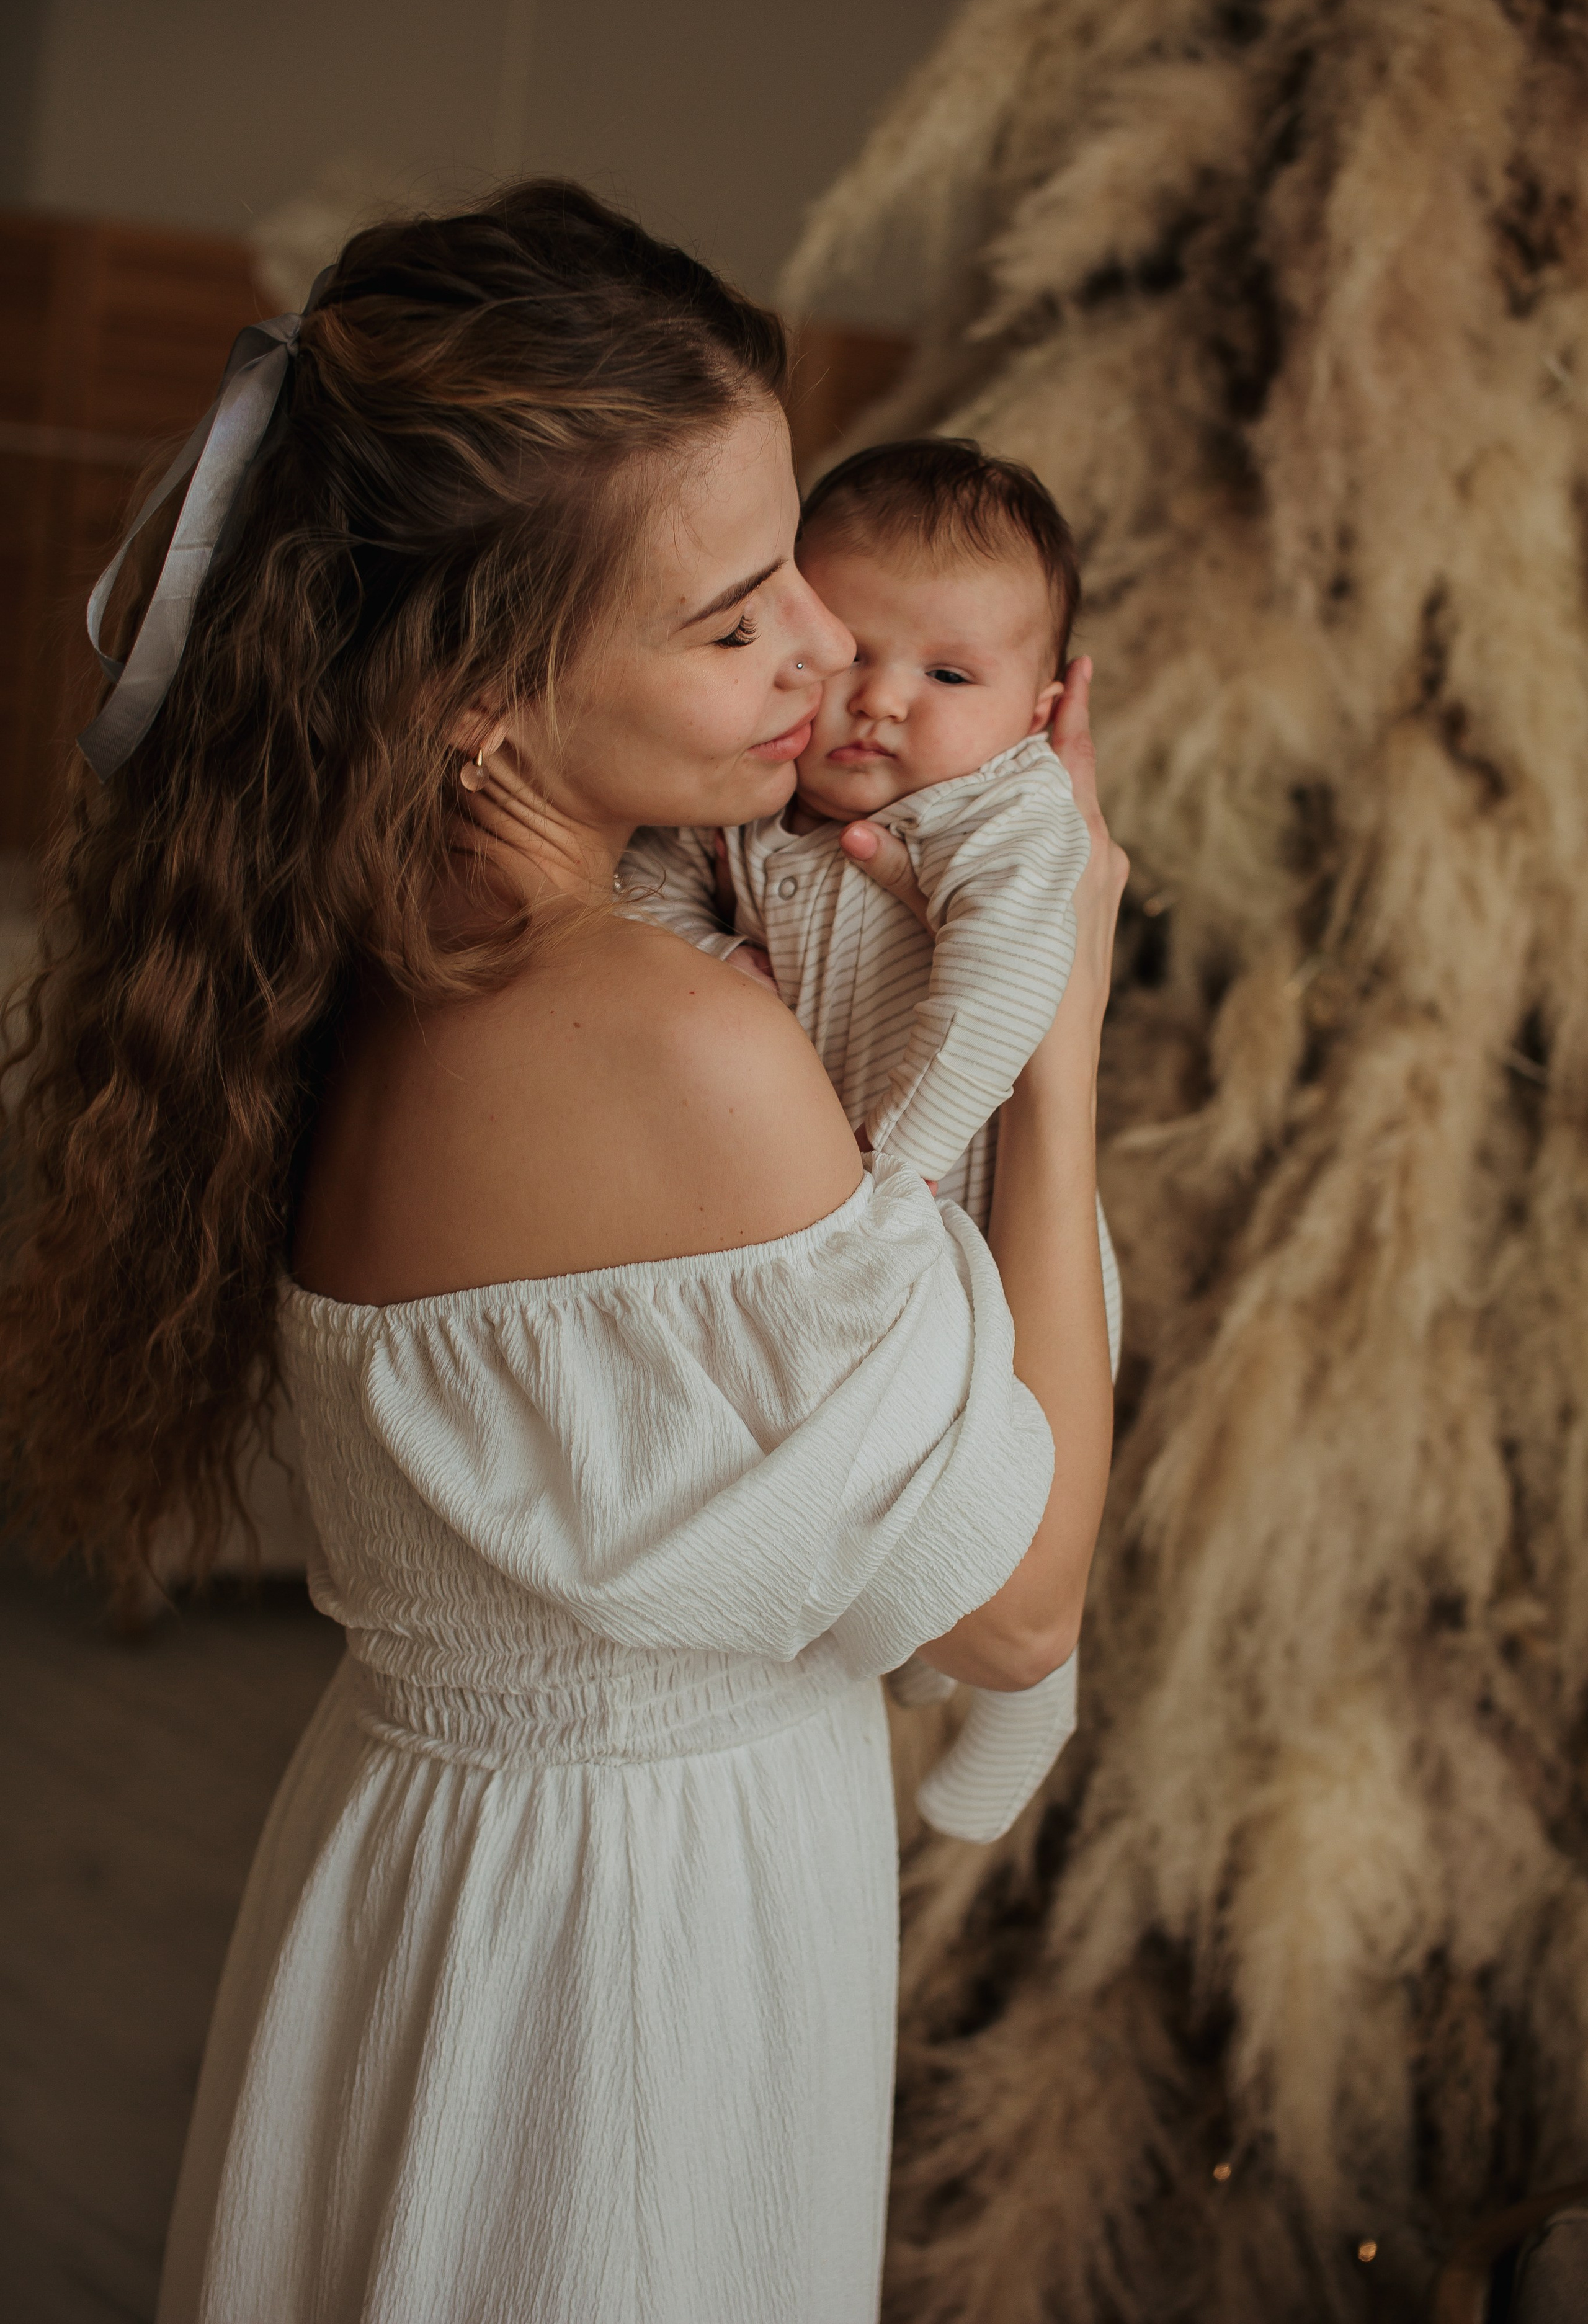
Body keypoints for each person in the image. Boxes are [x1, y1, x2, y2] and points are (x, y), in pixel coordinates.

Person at [0, 182, 1125, 2324]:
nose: (825, 653)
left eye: (793, 557)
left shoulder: (373, 946)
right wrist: (1058, 1039)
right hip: (621, 1955)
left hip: (436, 1876)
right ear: (478, 703)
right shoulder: (668, 1043)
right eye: (731, 622)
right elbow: (1016, 1607)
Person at [622, 435, 1123, 1843]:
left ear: (1037, 710)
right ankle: (931, 1651)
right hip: (856, 1200)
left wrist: (894, 1161)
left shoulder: (1001, 814)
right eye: (851, 654)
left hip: (971, 1181)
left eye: (948, 677)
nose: (883, 706)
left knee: (1020, 1431)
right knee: (903, 1471)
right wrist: (705, 962)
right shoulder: (757, 806)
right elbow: (653, 878)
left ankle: (1041, 1689)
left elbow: (1005, 989)